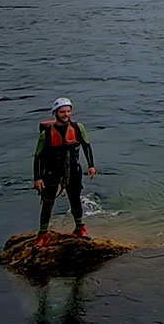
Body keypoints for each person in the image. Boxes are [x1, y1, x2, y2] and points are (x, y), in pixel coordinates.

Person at [32, 98, 97, 250]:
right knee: (48, 203)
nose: (66, 114)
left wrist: (91, 166)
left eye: (68, 111)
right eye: (62, 112)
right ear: (55, 113)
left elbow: (87, 146)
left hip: (73, 171)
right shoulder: (46, 133)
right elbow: (38, 156)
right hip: (51, 172)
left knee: (75, 199)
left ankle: (80, 228)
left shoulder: (78, 128)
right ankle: (42, 235)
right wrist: (38, 178)